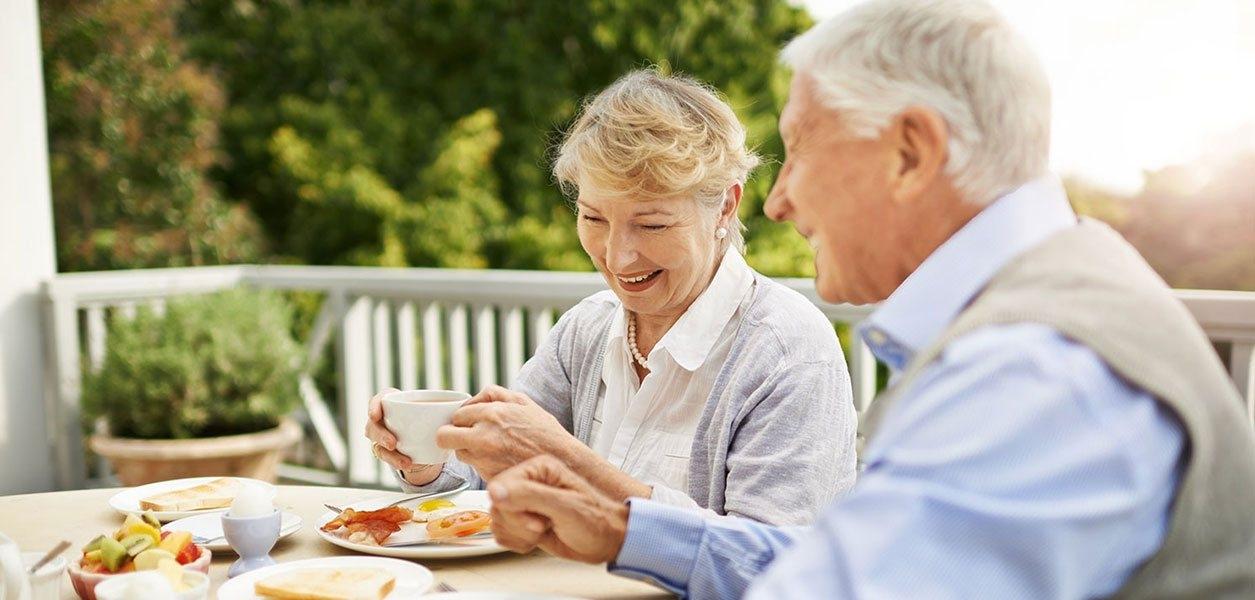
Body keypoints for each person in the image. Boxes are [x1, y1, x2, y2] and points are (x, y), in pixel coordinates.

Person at [482, 1, 1255, 598]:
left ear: (908, 154)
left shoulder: (1034, 372)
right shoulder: (1045, 305)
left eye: (803, 148)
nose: (777, 201)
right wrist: (624, 527)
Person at [364, 69, 858, 525]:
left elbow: (766, 565)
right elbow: (484, 485)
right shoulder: (588, 329)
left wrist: (567, 460)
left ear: (725, 206)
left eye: (652, 224)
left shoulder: (787, 352)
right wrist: (423, 456)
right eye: (594, 218)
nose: (618, 259)